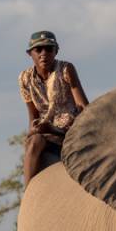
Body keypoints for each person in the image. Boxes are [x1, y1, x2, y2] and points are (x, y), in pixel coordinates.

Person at [18, 30, 89, 186]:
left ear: (56, 51)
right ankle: (28, 192)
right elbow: (33, 115)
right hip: (45, 133)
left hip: (69, 130)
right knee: (33, 142)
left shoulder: (65, 69)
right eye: (38, 50)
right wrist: (33, 130)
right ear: (30, 54)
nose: (44, 54)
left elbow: (84, 107)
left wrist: (60, 127)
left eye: (49, 49)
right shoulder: (25, 78)